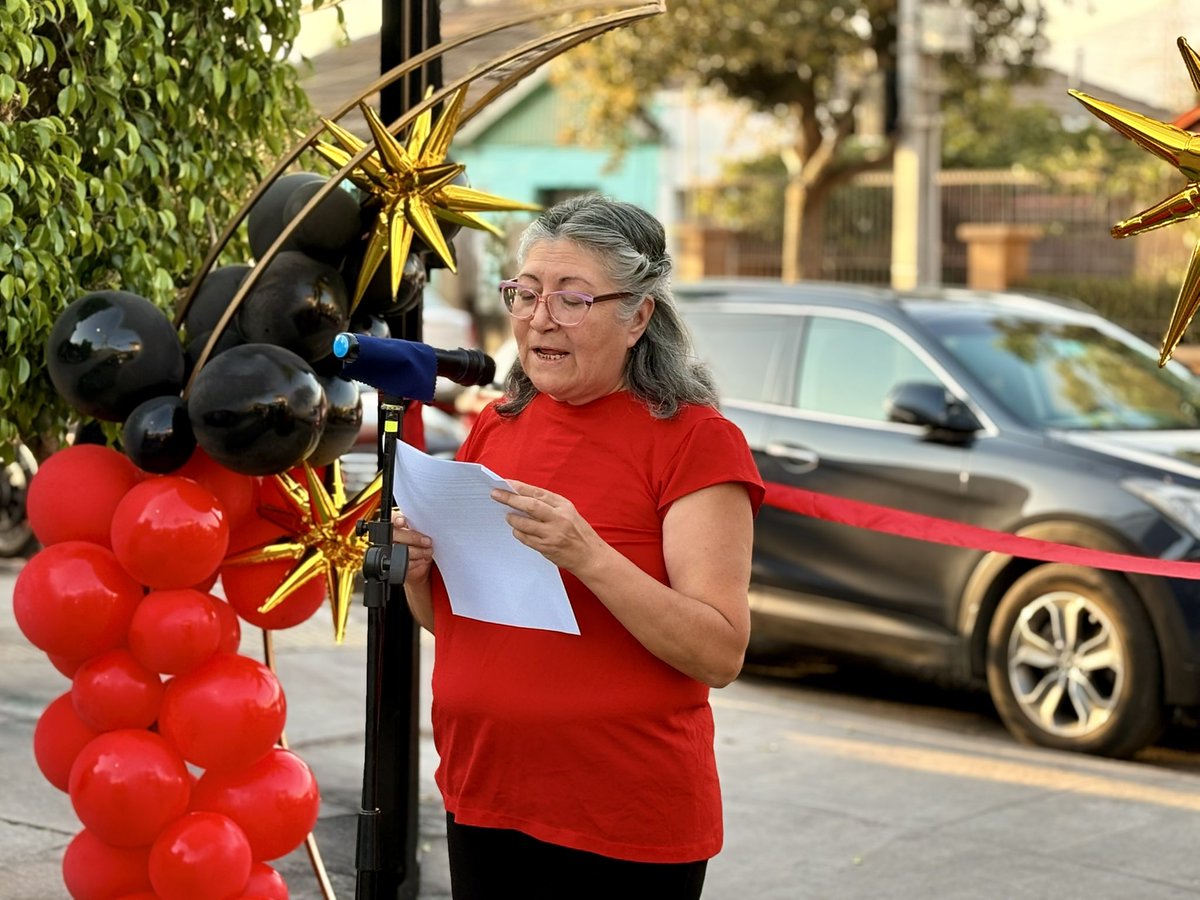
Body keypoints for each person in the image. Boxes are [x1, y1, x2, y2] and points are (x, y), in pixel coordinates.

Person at [392, 194, 764, 899]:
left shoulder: (695, 441)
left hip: (621, 818)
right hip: (485, 793)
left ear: (638, 317)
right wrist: (418, 572)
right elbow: (458, 623)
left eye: (572, 298)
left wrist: (587, 554)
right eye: (526, 293)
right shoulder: (497, 426)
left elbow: (719, 652)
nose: (540, 318)